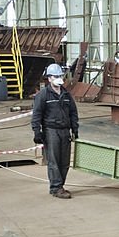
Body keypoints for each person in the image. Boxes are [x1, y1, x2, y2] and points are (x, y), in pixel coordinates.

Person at [31, 63, 80, 199]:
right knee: (54, 161)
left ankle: (60, 186)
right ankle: (56, 187)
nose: (59, 78)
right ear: (49, 78)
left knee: (64, 161)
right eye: (56, 76)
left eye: (60, 76)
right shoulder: (43, 95)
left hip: (65, 131)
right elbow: (37, 115)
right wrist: (37, 131)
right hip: (51, 131)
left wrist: (75, 128)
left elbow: (73, 112)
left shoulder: (66, 94)